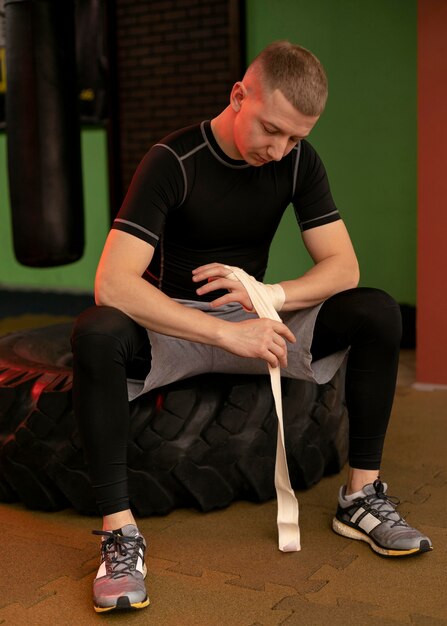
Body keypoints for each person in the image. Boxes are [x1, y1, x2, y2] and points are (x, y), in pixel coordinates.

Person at [72, 41, 432, 613]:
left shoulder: (297, 161)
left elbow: (345, 267)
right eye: (272, 129)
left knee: (378, 309)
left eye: (296, 137)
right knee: (95, 331)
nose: (281, 148)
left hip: (258, 323)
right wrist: (221, 332)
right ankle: (120, 533)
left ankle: (360, 498)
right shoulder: (174, 160)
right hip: (177, 330)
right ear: (238, 95)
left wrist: (269, 295)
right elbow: (113, 283)